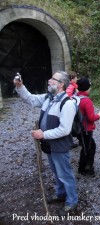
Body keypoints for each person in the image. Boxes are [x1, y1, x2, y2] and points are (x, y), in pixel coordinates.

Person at [13, 71, 78, 216]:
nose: (49, 80)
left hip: (59, 146)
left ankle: (72, 201)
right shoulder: (48, 98)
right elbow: (30, 99)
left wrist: (43, 134)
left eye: (53, 79)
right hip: (49, 145)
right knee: (56, 171)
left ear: (61, 84)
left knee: (65, 174)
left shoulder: (67, 104)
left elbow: (65, 129)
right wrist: (20, 86)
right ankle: (61, 194)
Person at [76, 77, 100, 176]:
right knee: (89, 148)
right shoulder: (87, 101)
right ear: (87, 88)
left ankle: (83, 167)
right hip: (86, 129)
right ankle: (86, 168)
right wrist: (99, 115)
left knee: (87, 147)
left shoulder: (75, 98)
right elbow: (91, 118)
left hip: (78, 128)